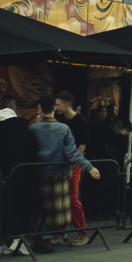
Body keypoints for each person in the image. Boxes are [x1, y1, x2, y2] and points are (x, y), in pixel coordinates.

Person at [29, 96, 99, 253]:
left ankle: (44, 237)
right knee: (55, 208)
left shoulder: (34, 128)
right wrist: (89, 167)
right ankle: (49, 237)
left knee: (41, 207)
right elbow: (73, 153)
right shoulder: (63, 129)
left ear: (40, 109)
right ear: (54, 108)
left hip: (39, 173)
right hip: (59, 174)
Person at [0, 100, 39, 255]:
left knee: (0, 210)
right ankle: (18, 241)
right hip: (18, 178)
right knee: (21, 208)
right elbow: (30, 153)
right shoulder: (20, 129)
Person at [55, 91, 92, 246]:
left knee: (72, 198)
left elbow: (82, 145)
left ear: (67, 104)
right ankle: (56, 233)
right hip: (60, 162)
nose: (55, 107)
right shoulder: (58, 119)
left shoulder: (80, 121)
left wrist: (75, 164)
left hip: (73, 163)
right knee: (57, 197)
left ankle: (81, 232)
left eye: (58, 104)